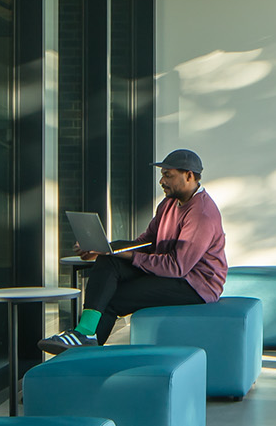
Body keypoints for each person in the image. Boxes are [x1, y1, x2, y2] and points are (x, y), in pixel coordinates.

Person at [39, 149, 229, 355]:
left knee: (114, 297)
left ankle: (85, 346)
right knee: (109, 260)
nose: (162, 181)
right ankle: (84, 334)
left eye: (168, 175)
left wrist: (125, 255)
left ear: (189, 176)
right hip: (172, 272)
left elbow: (177, 267)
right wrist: (104, 249)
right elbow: (145, 242)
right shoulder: (169, 203)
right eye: (162, 175)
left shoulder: (201, 214)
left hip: (195, 285)